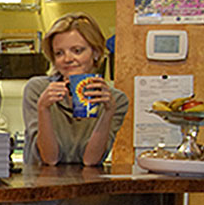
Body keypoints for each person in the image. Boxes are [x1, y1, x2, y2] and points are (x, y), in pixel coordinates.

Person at [23, 12, 128, 166]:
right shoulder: (38, 89)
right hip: (41, 186)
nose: (67, 59)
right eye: (59, 53)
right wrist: (43, 109)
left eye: (77, 51)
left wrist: (108, 113)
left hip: (86, 187)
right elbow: (49, 159)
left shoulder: (116, 100)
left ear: (96, 53)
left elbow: (91, 161)